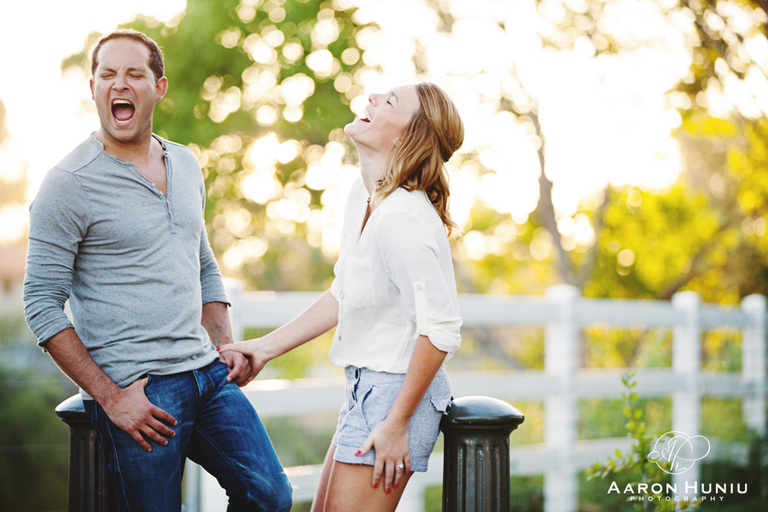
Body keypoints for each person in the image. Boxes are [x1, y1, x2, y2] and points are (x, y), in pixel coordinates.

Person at [23, 29, 292, 512]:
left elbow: (202, 260)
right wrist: (109, 397)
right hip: (140, 392)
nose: (119, 85)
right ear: (93, 88)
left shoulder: (186, 164)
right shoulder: (67, 183)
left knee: (269, 496)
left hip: (206, 375)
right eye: (107, 74)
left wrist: (225, 343)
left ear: (159, 88)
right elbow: (41, 303)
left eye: (133, 74)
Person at [221, 81, 464, 512]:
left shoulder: (402, 218)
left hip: (395, 395)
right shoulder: (363, 197)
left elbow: (441, 331)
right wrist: (263, 349)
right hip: (364, 390)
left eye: (389, 101)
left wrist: (397, 423)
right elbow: (343, 293)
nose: (371, 97)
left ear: (411, 135)